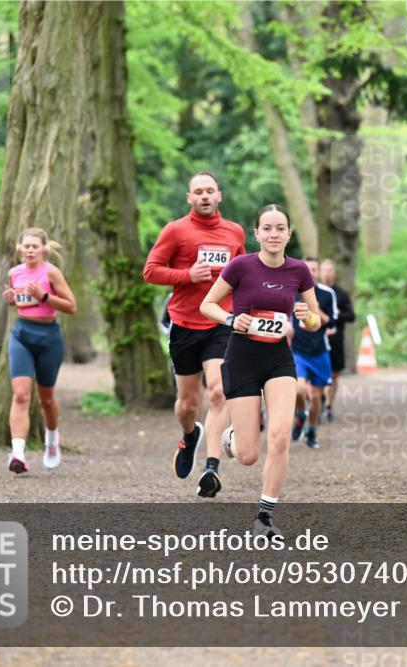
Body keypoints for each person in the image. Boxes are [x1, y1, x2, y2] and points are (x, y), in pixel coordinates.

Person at [200, 204, 322, 538]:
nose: (273, 234)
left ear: (289, 233)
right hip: (242, 357)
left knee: (280, 437)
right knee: (248, 455)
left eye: (280, 228)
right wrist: (231, 319)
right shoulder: (240, 266)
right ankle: (231, 438)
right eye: (267, 228)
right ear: (257, 233)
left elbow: (316, 320)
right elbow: (207, 304)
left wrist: (307, 317)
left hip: (279, 360)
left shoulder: (299, 270)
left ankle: (264, 517)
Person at [143, 172, 245, 498]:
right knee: (188, 404)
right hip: (185, 324)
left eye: (209, 191)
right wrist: (187, 275)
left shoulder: (234, 232)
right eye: (198, 191)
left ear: (219, 195)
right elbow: (150, 271)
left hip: (220, 322)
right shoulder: (175, 231)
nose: (204, 196)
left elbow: (242, 275)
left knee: (218, 392)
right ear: (189, 197)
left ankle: (211, 468)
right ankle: (189, 436)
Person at [1, 228, 77, 474]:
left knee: (46, 398)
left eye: (35, 246)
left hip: (49, 337)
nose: (30, 250)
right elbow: (20, 302)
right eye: (27, 246)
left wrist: (43, 296)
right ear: (20, 249)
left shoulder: (51, 272)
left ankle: (52, 440)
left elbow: (71, 306)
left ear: (43, 248)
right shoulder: (14, 273)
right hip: (22, 334)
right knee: (20, 395)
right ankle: (18, 453)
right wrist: (12, 299)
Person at [290, 257, 337, 449]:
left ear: (318, 272)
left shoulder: (327, 294)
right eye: (307, 268)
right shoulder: (292, 291)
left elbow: (333, 323)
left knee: (316, 397)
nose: (310, 272)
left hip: (319, 351)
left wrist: (315, 310)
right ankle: (301, 413)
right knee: (298, 390)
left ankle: (312, 430)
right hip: (298, 351)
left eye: (314, 269)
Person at [319, 258, 355, 423]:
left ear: (334, 273)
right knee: (318, 373)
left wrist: (337, 314)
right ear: (320, 273)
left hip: (335, 339)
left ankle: (329, 405)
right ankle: (319, 401)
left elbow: (351, 316)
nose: (327, 273)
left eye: (329, 270)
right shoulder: (314, 293)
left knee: (334, 374)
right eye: (324, 270)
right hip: (318, 339)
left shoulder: (341, 294)